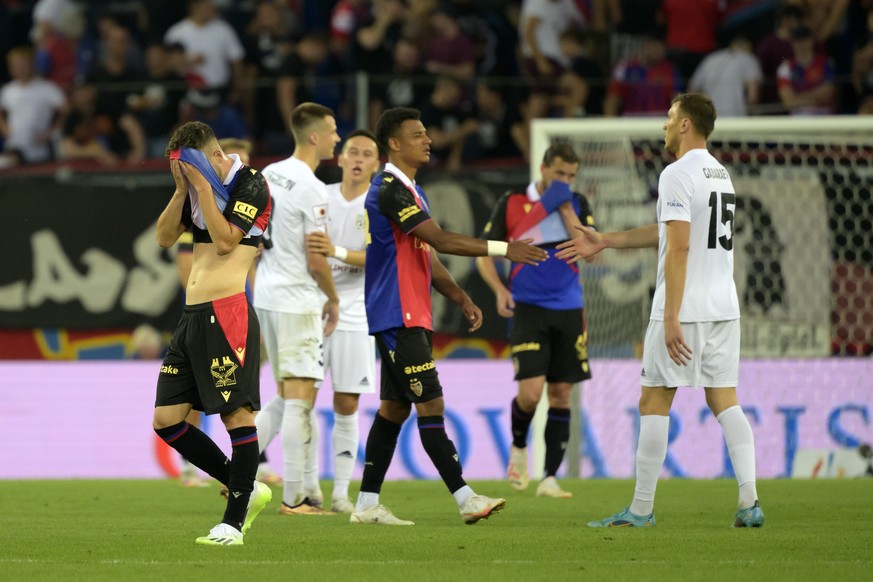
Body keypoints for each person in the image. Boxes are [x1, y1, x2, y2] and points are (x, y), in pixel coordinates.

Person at [555, 93, 764, 528]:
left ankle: (641, 510)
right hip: (724, 306)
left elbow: (680, 246)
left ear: (686, 124)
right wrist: (606, 239)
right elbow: (670, 232)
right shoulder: (719, 173)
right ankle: (750, 503)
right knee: (725, 399)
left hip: (684, 308)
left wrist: (671, 315)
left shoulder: (676, 173)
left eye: (670, 118)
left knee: (653, 399)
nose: (664, 126)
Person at [350, 107, 548, 526]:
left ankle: (366, 504)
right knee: (431, 403)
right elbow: (439, 239)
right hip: (397, 313)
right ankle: (465, 498)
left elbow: (427, 251)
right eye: (418, 134)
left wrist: (459, 296)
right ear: (394, 144)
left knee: (393, 409)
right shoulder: (388, 187)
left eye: (427, 133)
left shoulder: (411, 191)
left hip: (408, 313)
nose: (429, 139)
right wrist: (504, 248)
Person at [153, 120, 273, 545]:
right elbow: (165, 237)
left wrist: (202, 185)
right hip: (191, 318)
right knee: (167, 421)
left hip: (228, 312)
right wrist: (183, 189)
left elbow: (225, 243)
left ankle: (232, 525)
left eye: (193, 167)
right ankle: (246, 486)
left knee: (236, 416)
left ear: (215, 157)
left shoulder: (252, 184)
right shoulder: (194, 189)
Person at [476, 144, 594, 499]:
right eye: (560, 174)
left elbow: (587, 246)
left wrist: (562, 204)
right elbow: (485, 252)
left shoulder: (578, 203)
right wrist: (499, 289)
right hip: (527, 307)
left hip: (570, 307)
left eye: (572, 176)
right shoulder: (512, 202)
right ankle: (518, 447)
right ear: (543, 168)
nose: (566, 181)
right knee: (530, 394)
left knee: (561, 394)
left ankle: (549, 479)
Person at [252, 102, 341, 516]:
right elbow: (316, 258)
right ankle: (294, 499)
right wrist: (333, 298)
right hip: (297, 298)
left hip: (267, 293)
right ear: (314, 136)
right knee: (301, 398)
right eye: (333, 131)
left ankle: (238, 468)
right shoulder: (311, 188)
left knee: (287, 394)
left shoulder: (269, 174)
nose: (337, 138)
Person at [304, 129, 381, 514]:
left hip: (357, 313)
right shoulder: (321, 197)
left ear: (377, 165)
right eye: (353, 151)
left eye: (367, 154)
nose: (358, 159)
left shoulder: (378, 204)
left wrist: (335, 250)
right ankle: (308, 487)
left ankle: (340, 494)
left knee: (347, 403)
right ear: (340, 157)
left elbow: (380, 257)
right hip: (315, 309)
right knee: (303, 398)